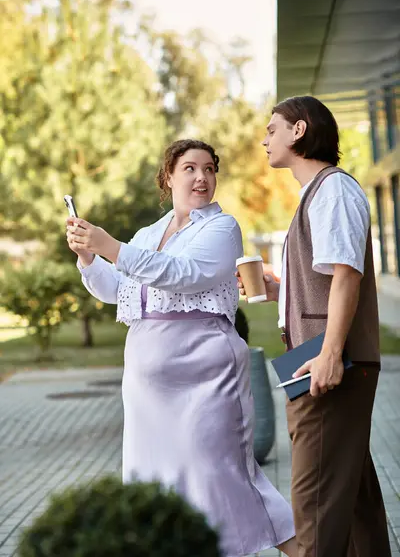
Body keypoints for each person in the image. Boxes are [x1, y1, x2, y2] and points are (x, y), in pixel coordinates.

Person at [66, 139, 297, 557]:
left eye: (209, 169)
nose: (202, 177)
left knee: (222, 481)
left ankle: (303, 548)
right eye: (190, 168)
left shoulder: (221, 228)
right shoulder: (149, 234)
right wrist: (88, 258)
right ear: (168, 176)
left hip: (204, 382)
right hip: (146, 394)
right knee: (156, 488)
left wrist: (111, 247)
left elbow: (183, 274)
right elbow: (117, 290)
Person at [238, 96, 391, 557]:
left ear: (299, 131)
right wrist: (280, 282)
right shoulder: (318, 193)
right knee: (354, 501)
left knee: (315, 507)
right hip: (317, 357)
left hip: (325, 362)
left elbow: (347, 275)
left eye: (272, 129)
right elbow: (327, 276)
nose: (264, 139)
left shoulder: (333, 191)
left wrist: (328, 356)